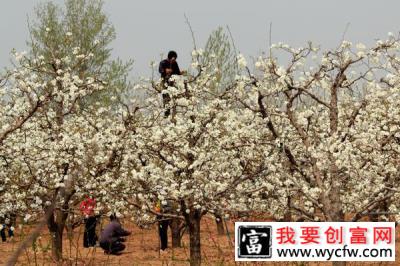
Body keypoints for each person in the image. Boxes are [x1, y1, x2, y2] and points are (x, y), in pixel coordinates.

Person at [158, 51, 185, 117]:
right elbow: (160, 70)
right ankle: (166, 112)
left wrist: (181, 72)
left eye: (175, 59)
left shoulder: (175, 63)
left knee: (174, 96)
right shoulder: (163, 62)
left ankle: (174, 107)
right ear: (170, 57)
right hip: (164, 81)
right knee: (166, 96)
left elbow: (177, 72)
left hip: (172, 83)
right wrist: (165, 70)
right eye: (173, 59)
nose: (174, 60)